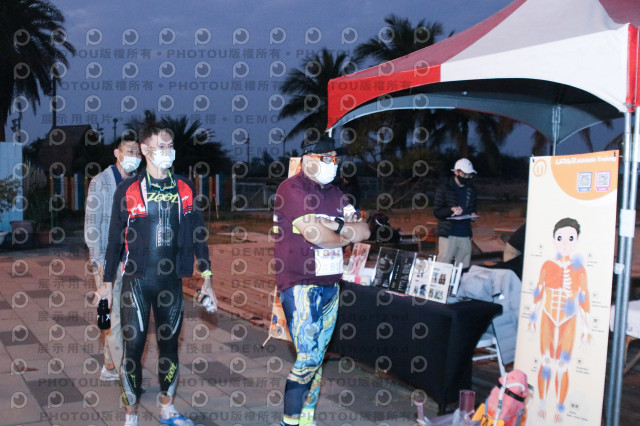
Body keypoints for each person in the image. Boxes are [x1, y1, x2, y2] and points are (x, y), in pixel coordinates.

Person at [100, 120, 217, 426]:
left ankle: (167, 408)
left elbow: (198, 234)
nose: (167, 151)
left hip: (171, 283)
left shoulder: (184, 188)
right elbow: (114, 241)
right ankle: (130, 417)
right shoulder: (128, 189)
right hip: (137, 282)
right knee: (133, 349)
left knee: (169, 347)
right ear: (145, 149)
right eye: (160, 146)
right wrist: (106, 283)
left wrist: (207, 279)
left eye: (170, 146)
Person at [273, 135, 370, 426]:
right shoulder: (292, 189)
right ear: (307, 160)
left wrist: (334, 225)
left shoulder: (336, 193)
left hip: (330, 284)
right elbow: (316, 236)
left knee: (318, 356)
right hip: (300, 284)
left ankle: (307, 418)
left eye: (336, 159)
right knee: (307, 358)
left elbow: (364, 230)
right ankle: (289, 421)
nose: (333, 164)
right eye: (326, 158)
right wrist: (342, 234)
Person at [84, 137, 141, 381]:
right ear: (117, 153)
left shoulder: (139, 183)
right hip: (108, 260)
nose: (134, 156)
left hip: (133, 261)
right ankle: (122, 372)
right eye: (129, 151)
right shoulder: (101, 183)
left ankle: (110, 366)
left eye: (137, 152)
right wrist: (98, 262)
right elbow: (92, 226)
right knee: (115, 316)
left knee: (128, 315)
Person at [528, 218, 591, 423]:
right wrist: (532, 317)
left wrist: (587, 328)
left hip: (568, 320)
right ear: (554, 239)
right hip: (547, 316)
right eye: (560, 238)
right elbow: (539, 290)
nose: (565, 243)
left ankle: (560, 408)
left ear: (577, 240)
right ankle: (542, 402)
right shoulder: (547, 265)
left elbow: (583, 296)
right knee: (546, 361)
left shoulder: (579, 269)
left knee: (562, 365)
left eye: (570, 238)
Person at [433, 158, 478, 268]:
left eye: (469, 175)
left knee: (463, 267)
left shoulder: (471, 190)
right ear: (456, 172)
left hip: (465, 234)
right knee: (443, 266)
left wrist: (473, 215)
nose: (466, 177)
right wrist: (451, 210)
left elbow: (472, 208)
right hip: (449, 234)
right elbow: (437, 212)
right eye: (464, 174)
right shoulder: (444, 188)